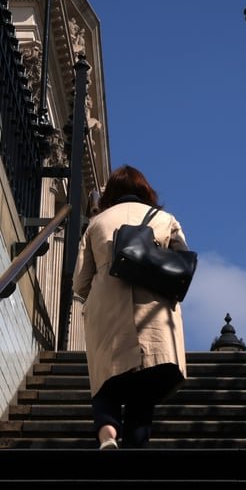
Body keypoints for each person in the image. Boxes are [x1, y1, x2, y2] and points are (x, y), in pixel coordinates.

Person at [72, 164, 189, 449]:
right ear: (145, 191)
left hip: (107, 312)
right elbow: (183, 266)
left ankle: (108, 434)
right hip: (154, 315)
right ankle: (136, 453)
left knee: (106, 382)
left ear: (110, 194)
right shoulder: (165, 219)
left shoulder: (96, 224)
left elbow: (79, 283)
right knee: (143, 394)